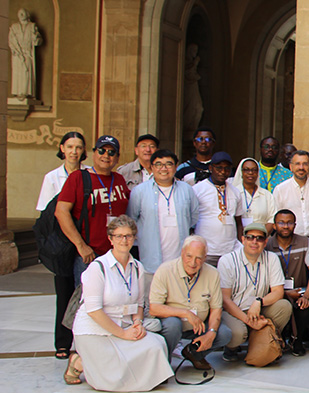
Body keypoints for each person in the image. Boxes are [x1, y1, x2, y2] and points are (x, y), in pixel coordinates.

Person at [63, 216, 174, 391]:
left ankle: (100, 363)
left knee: (156, 344)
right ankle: (79, 362)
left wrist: (137, 323)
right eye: (119, 236)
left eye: (129, 236)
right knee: (114, 376)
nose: (124, 240)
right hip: (95, 329)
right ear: (110, 238)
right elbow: (94, 311)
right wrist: (123, 334)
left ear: (134, 238)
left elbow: (139, 303)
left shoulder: (137, 267)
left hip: (124, 324)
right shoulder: (97, 267)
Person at [127, 149, 200, 316]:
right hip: (150, 260)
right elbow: (132, 219)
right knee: (151, 304)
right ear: (151, 167)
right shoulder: (140, 191)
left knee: (178, 303)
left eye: (168, 164)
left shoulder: (186, 190)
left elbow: (193, 216)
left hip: (179, 260)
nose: (163, 168)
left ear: (175, 167)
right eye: (158, 164)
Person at [56, 135, 131, 289]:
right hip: (89, 254)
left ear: (117, 158)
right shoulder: (78, 177)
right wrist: (80, 245)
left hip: (115, 253)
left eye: (111, 153)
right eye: (102, 150)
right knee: (87, 303)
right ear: (94, 153)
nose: (106, 156)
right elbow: (61, 212)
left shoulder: (119, 179)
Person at [149, 235, 232, 370]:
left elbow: (216, 308)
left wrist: (211, 332)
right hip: (173, 324)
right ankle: (163, 366)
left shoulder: (212, 273)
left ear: (205, 258)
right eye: (189, 256)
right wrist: (185, 313)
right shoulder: (165, 270)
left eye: (198, 258)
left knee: (224, 333)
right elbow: (154, 308)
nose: (193, 263)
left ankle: (194, 354)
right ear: (182, 253)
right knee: (172, 325)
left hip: (199, 325)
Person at [38, 131, 86, 359]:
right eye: (70, 147)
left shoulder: (89, 175)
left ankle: (85, 340)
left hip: (83, 240)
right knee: (64, 292)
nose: (74, 152)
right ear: (62, 149)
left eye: (78, 147)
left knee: (85, 293)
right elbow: (45, 215)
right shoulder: (52, 177)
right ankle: (63, 342)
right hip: (61, 244)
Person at [218, 222, 293, 361]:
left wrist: (259, 302)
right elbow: (225, 300)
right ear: (243, 240)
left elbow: (278, 291)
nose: (254, 242)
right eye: (250, 237)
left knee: (284, 306)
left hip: (258, 309)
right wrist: (247, 320)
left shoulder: (271, 258)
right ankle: (231, 349)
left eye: (259, 238)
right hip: (234, 311)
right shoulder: (227, 261)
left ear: (265, 242)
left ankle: (263, 343)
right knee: (237, 333)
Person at [266, 209, 309, 355]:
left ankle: (297, 340)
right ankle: (281, 337)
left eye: (289, 223)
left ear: (295, 225)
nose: (285, 226)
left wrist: (306, 296)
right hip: (275, 292)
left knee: (304, 307)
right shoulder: (268, 245)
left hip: (299, 290)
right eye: (281, 223)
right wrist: (284, 293)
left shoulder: (304, 241)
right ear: (275, 225)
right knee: (280, 307)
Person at [192, 152, 244, 266]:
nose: (223, 171)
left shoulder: (235, 191)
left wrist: (240, 244)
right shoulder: (197, 190)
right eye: (219, 168)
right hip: (206, 250)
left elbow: (239, 221)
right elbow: (191, 222)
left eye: (227, 168)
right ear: (211, 168)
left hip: (230, 251)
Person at [233, 158, 277, 232]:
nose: (250, 173)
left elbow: (272, 218)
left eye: (254, 170)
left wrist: (261, 236)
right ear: (241, 172)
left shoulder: (266, 195)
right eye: (247, 170)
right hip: (240, 237)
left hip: (262, 238)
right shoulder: (234, 193)